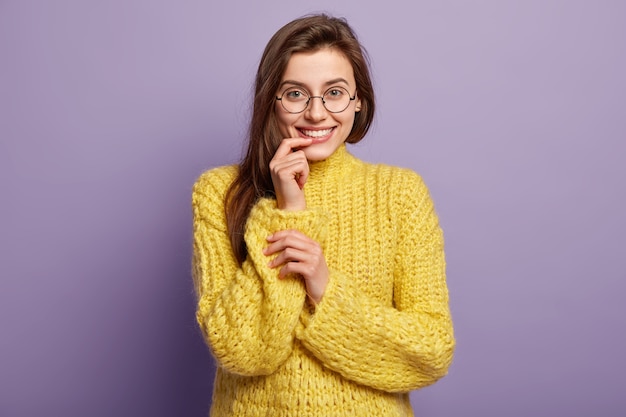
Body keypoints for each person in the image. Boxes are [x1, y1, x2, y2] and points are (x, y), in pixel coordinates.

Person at [191, 13, 455, 417]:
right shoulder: (220, 193)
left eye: (334, 92)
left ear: (358, 100)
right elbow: (241, 351)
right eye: (296, 94)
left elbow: (431, 351)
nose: (316, 113)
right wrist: (288, 212)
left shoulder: (400, 193)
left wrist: (323, 288)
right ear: (271, 100)